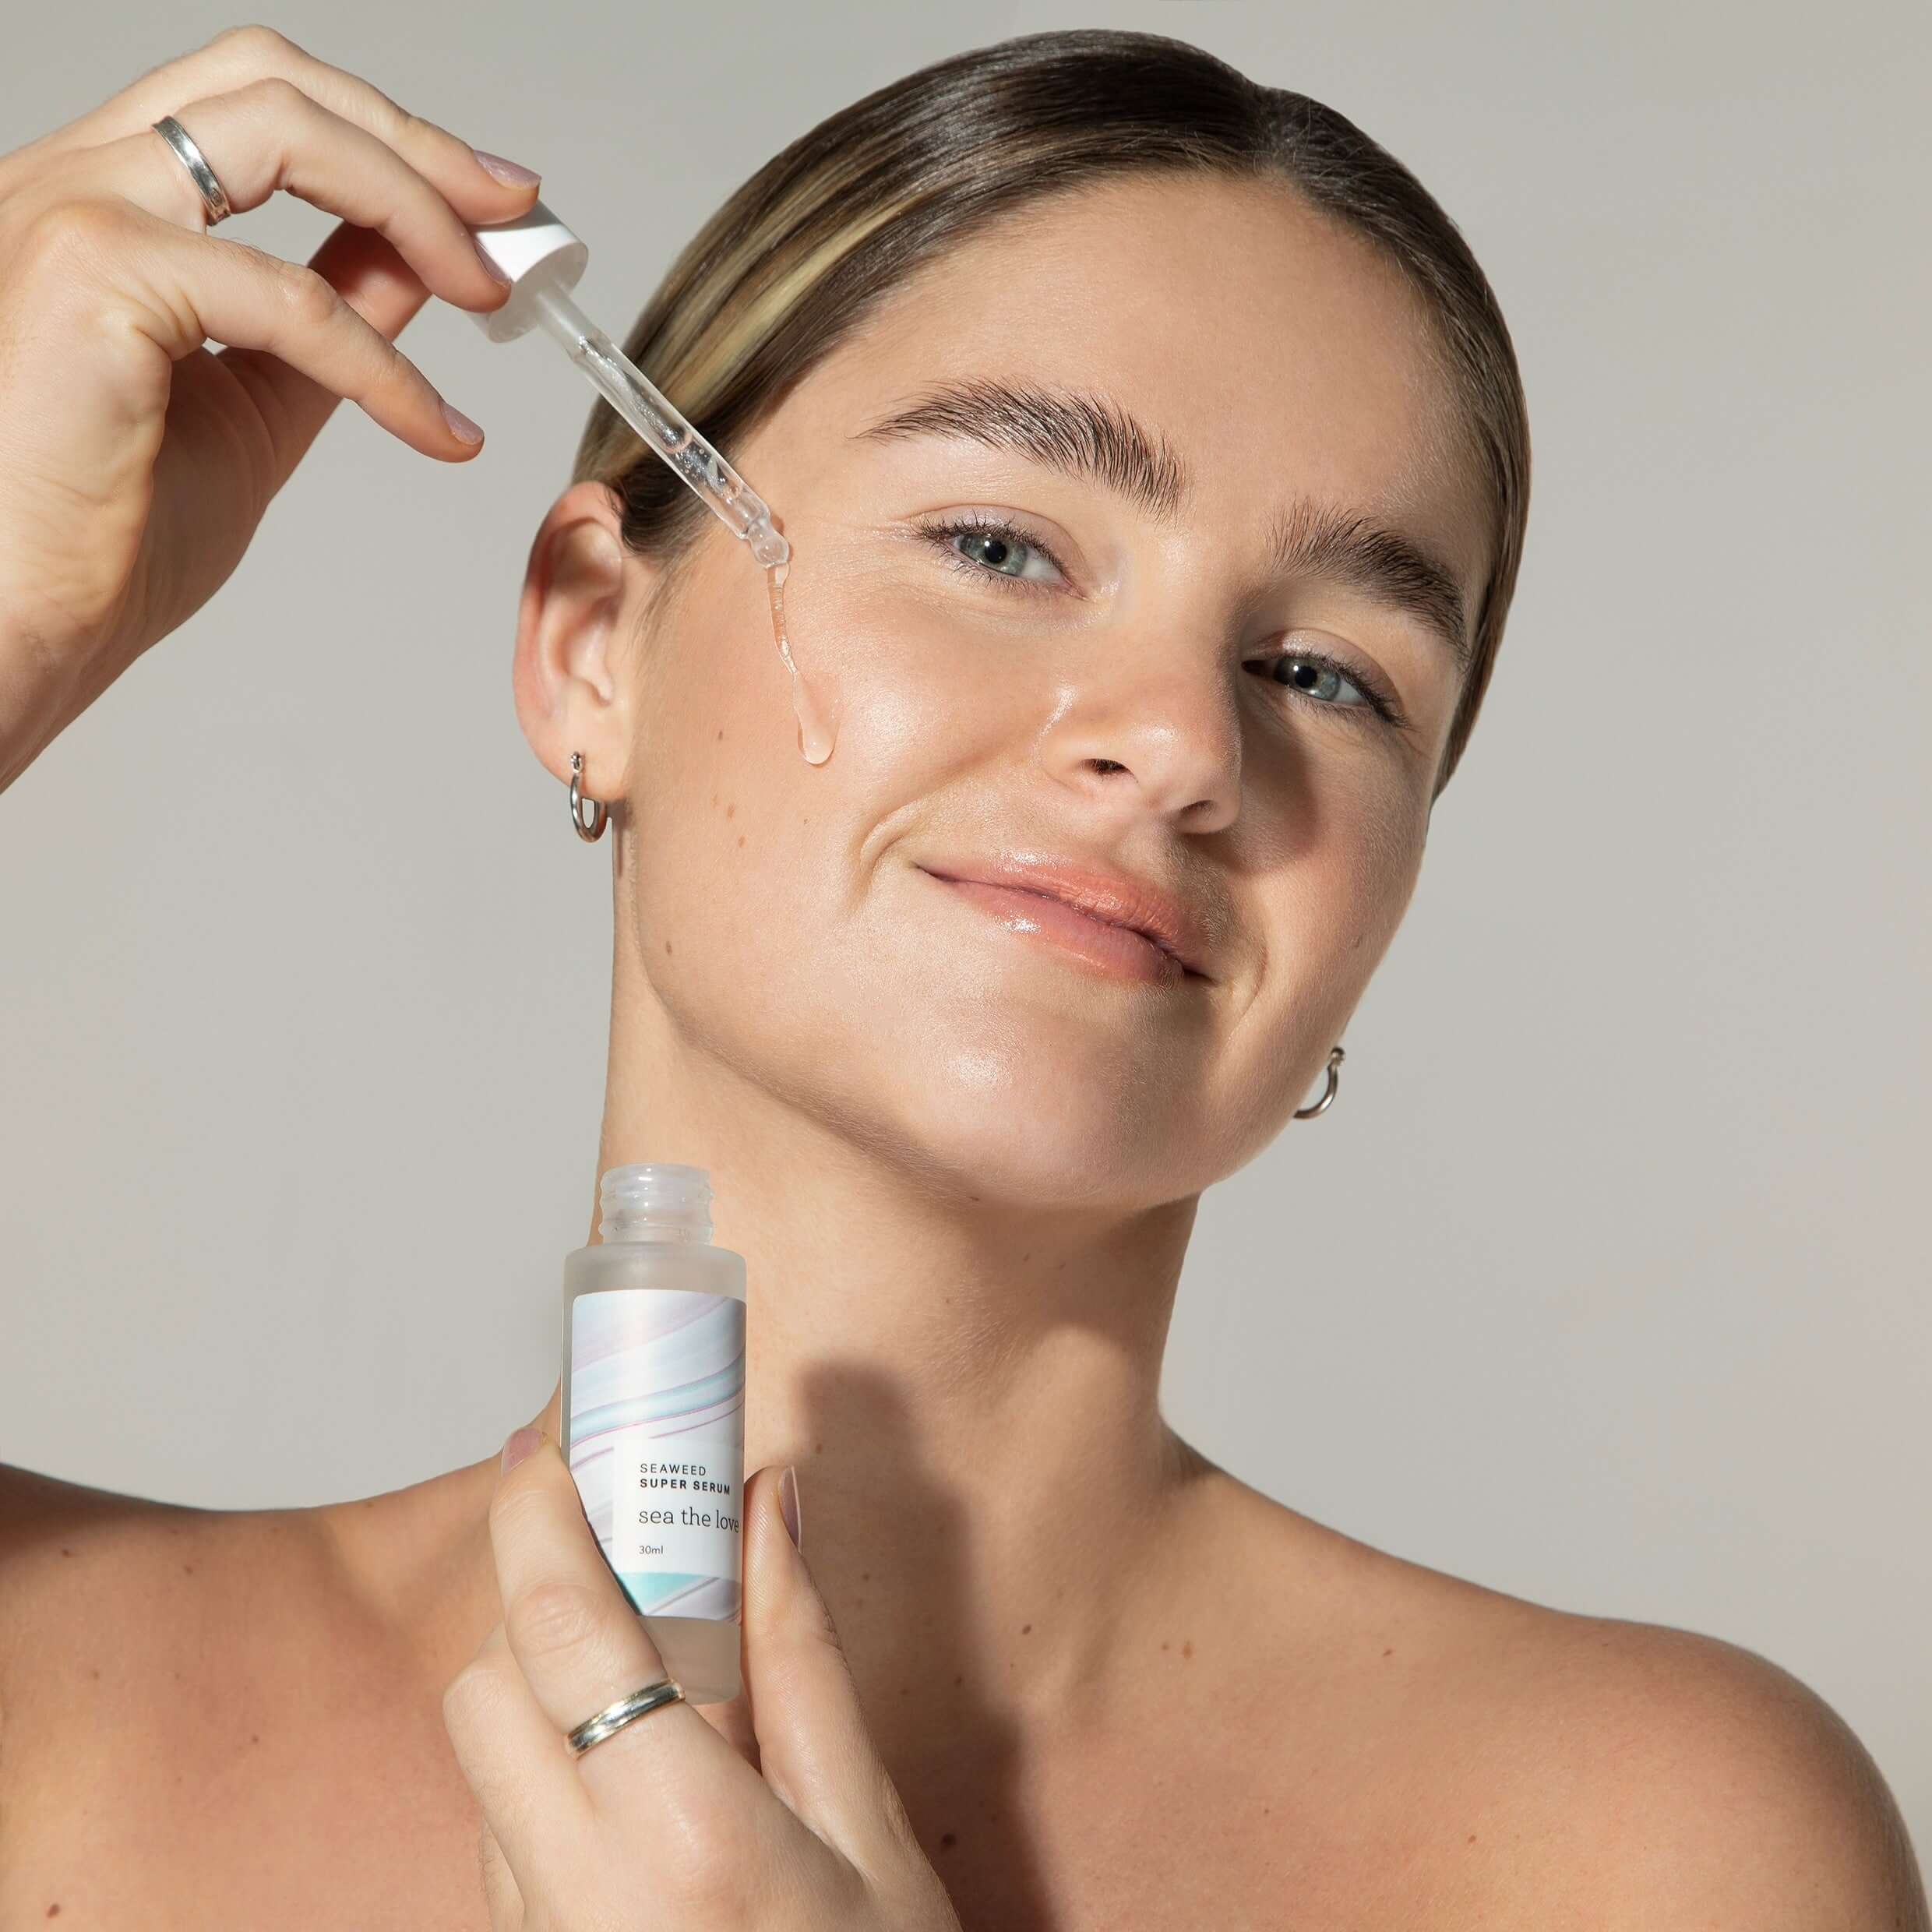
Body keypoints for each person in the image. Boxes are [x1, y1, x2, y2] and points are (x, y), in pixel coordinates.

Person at [0, 22, 1923, 1931]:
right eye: (1001, 542)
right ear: (594, 644)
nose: (1181, 741)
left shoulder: (1649, 1852)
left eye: (1328, 673)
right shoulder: (47, 1708)